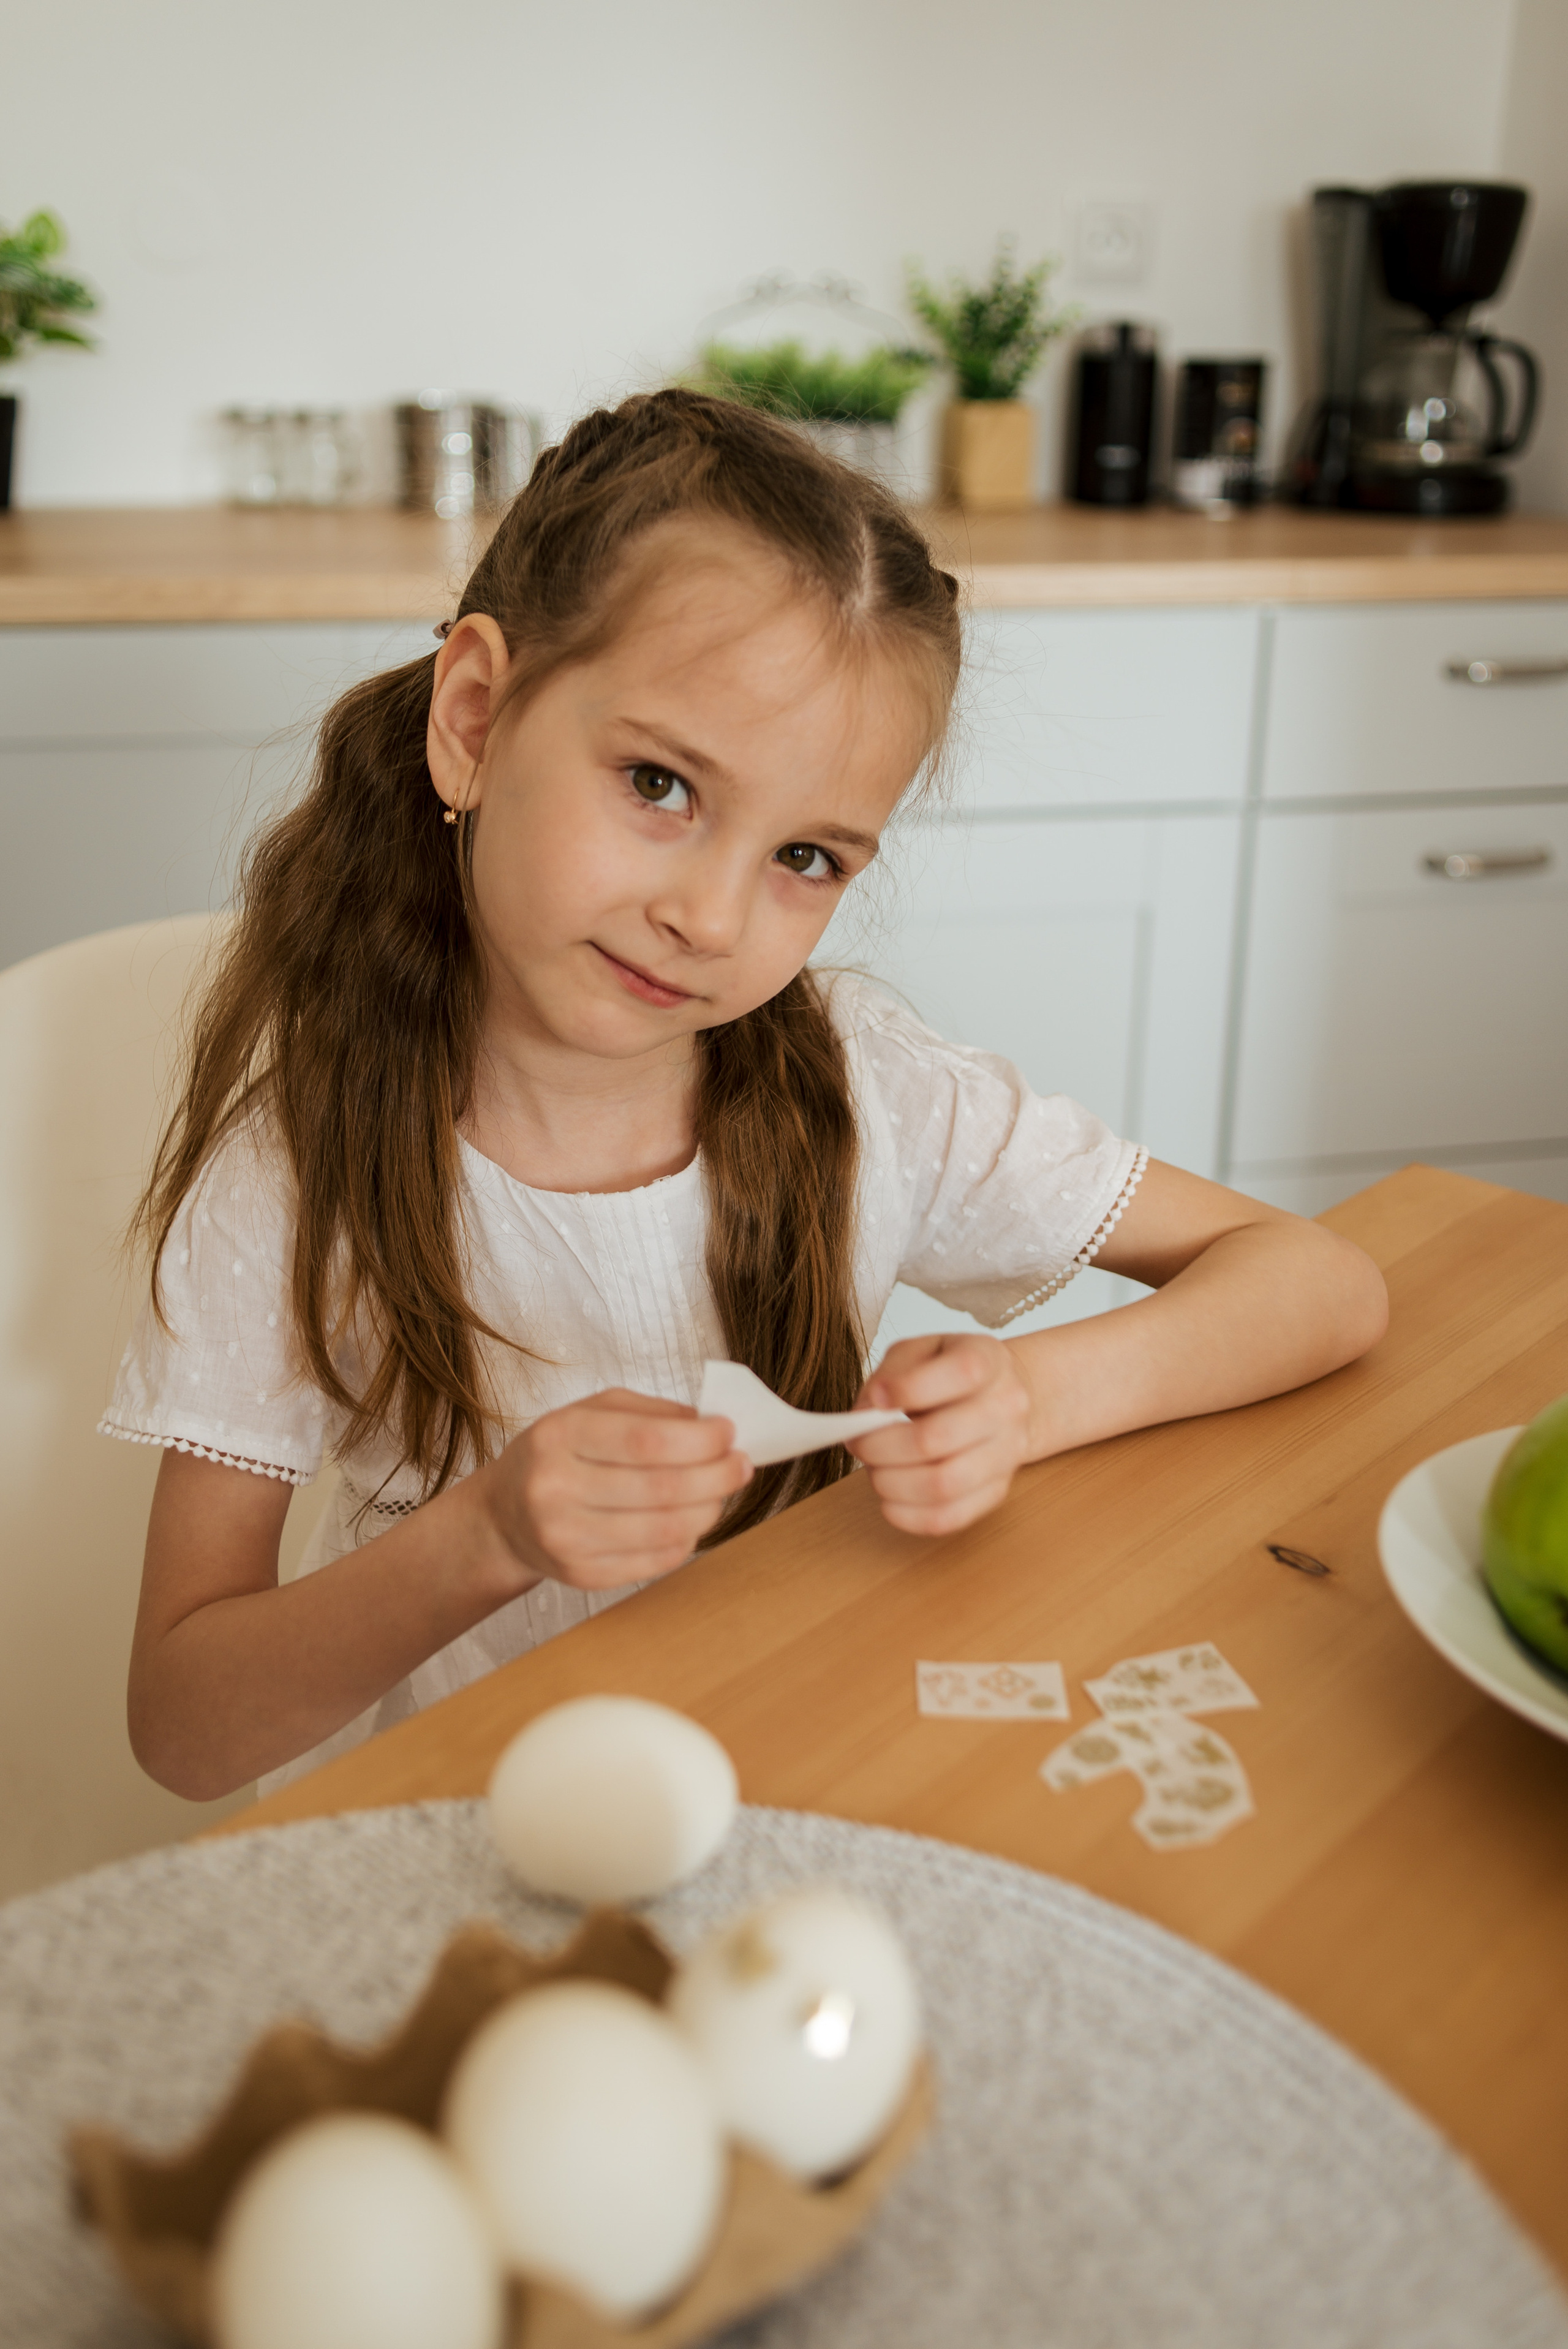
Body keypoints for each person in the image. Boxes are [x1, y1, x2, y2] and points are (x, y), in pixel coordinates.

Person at [111, 389, 1387, 1803]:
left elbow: (1319, 1283)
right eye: (659, 783)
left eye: (807, 858)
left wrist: (1029, 1397)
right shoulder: (297, 1176)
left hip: (818, 1793)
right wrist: (484, 1536)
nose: (713, 919)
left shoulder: (869, 1089)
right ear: (472, 719)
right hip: (488, 1830)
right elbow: (185, 1726)